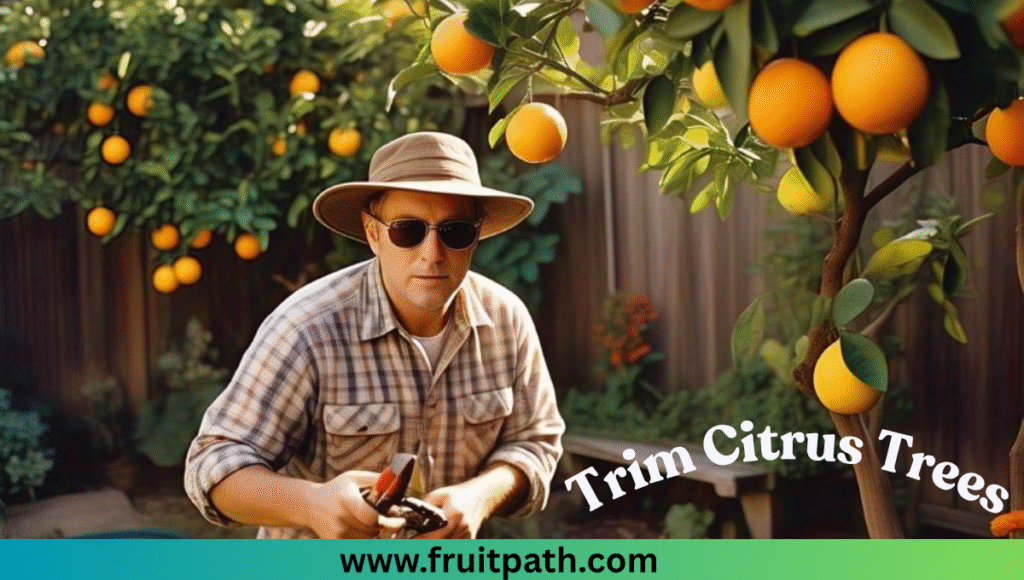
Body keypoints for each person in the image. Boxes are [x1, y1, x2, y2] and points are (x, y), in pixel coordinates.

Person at [184, 132, 565, 539]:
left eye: (454, 232)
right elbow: (213, 463)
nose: (432, 253)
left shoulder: (507, 322)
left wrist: (478, 497)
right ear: (373, 232)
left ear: (476, 235)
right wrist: (312, 504)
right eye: (408, 230)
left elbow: (535, 441)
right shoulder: (308, 328)